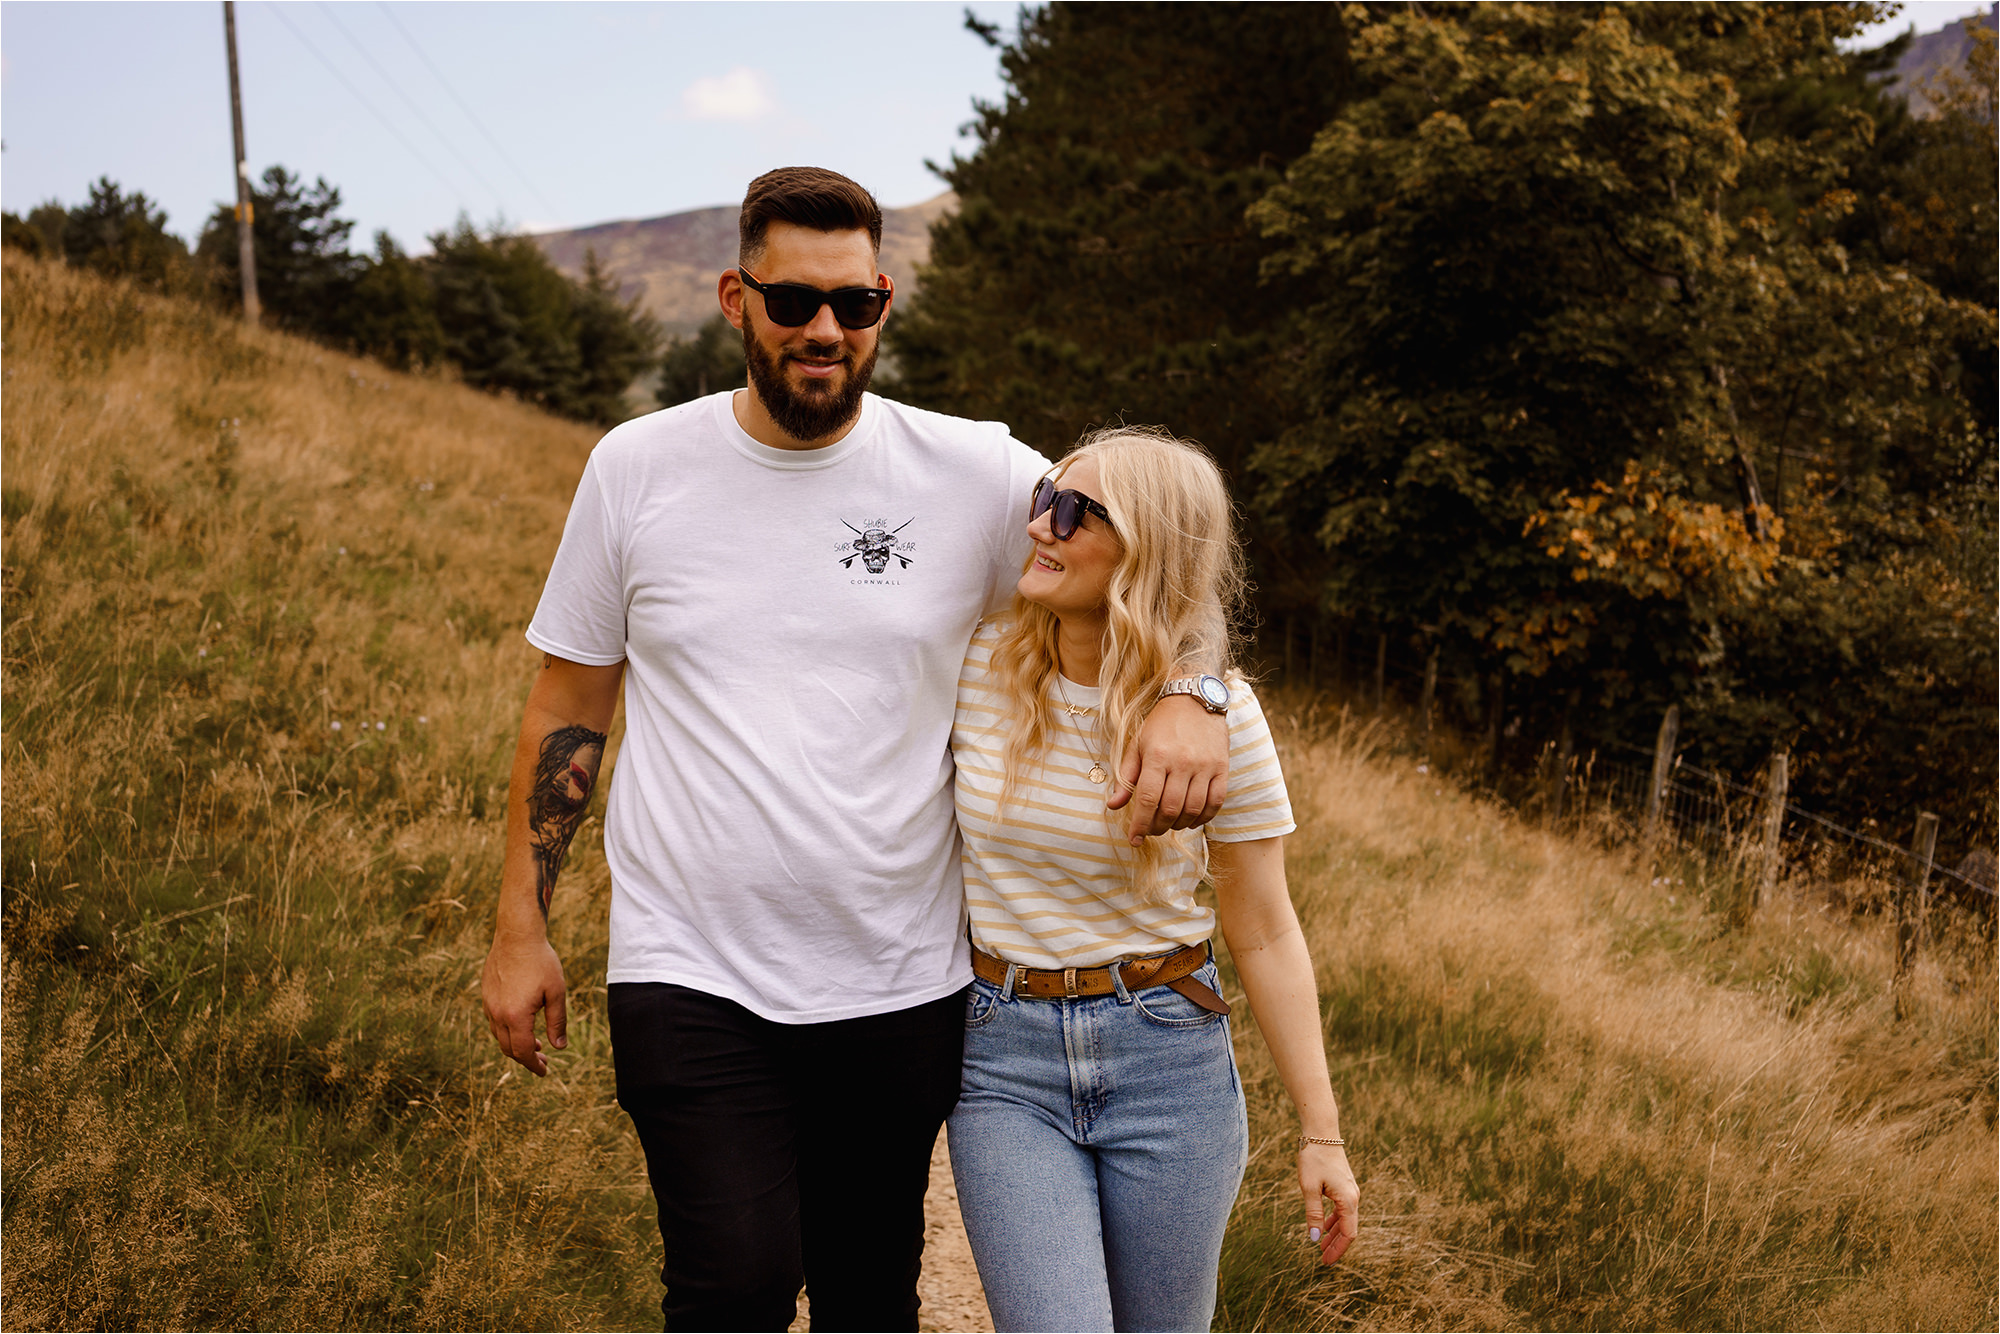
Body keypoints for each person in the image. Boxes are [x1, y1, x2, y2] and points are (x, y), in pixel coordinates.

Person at [478, 167, 1233, 1332]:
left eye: (855, 304)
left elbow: (1151, 542)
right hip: (689, 966)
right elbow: (571, 698)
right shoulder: (635, 468)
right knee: (729, 1276)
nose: (823, 330)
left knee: (869, 1290)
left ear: (883, 300)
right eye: (790, 302)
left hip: (898, 978)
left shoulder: (973, 471)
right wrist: (520, 926)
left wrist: (1188, 685)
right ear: (735, 297)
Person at [947, 427, 1360, 1332]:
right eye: (1043, 499)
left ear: (1148, 550)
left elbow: (1264, 929)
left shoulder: (1223, 721)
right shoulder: (975, 668)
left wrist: (1321, 1132)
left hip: (1166, 1055)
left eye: (1076, 512)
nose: (1041, 528)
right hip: (1002, 1059)